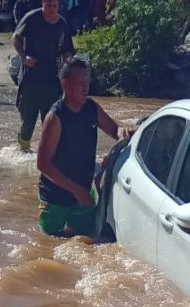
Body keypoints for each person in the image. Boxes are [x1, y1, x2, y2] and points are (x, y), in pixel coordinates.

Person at [36, 58, 133, 237]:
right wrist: (77, 191)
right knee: (48, 245)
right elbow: (43, 164)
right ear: (65, 84)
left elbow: (115, 129)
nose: (86, 86)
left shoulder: (91, 108)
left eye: (87, 81)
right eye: (80, 82)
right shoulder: (55, 117)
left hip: (83, 195)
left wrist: (123, 133)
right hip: (54, 199)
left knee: (86, 241)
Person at [13, 0, 74, 152]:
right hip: (30, 79)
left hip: (52, 81)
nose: (51, 9)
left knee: (50, 122)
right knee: (27, 123)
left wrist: (70, 68)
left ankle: (46, 155)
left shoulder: (62, 24)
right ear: (43, 4)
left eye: (54, 6)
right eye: (48, 5)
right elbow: (16, 38)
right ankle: (22, 151)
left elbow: (67, 51)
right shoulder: (31, 18)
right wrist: (24, 56)